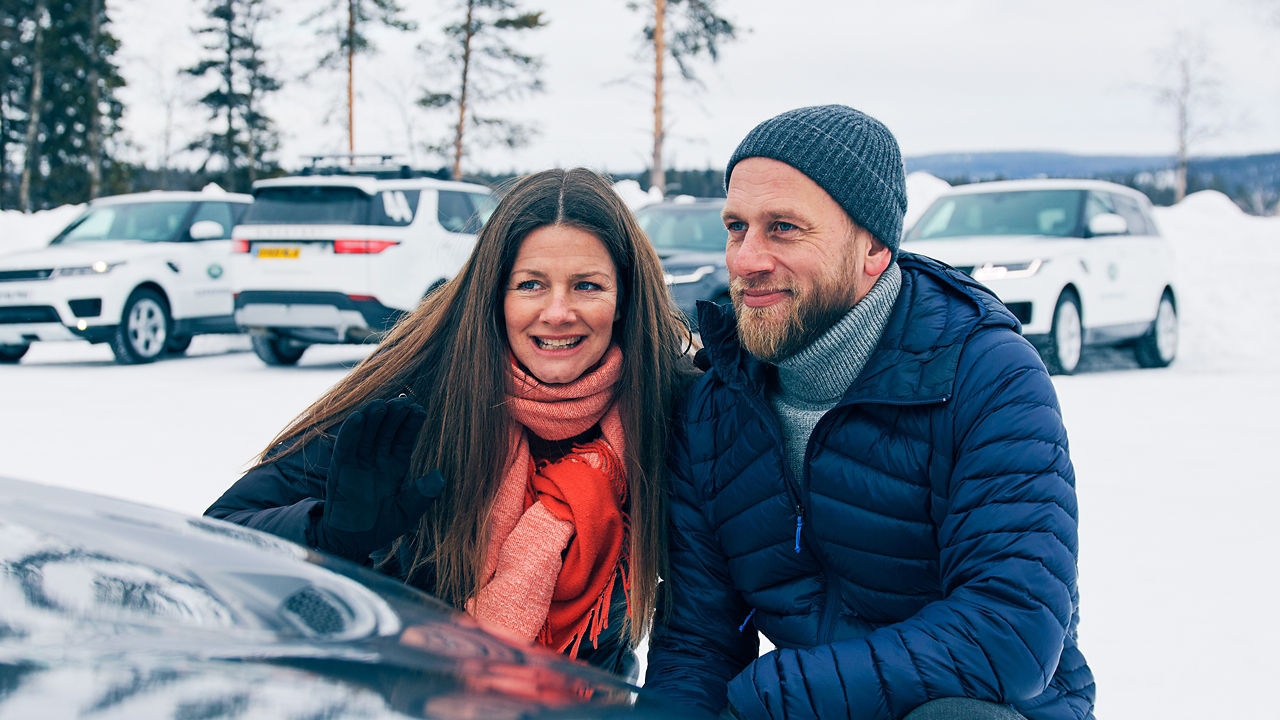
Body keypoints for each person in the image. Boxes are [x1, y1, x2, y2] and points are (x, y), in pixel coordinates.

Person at [642, 105, 1095, 719]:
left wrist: (770, 697)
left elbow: (1009, 631)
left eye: (783, 228)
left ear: (874, 245)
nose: (746, 259)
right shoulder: (718, 406)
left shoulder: (984, 373)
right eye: (736, 227)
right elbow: (698, 644)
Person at [206, 168, 692, 678]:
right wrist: (328, 534)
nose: (557, 312)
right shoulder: (416, 401)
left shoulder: (665, 410)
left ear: (623, 300)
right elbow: (220, 536)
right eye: (530, 285)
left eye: (587, 286)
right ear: (494, 295)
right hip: (410, 698)